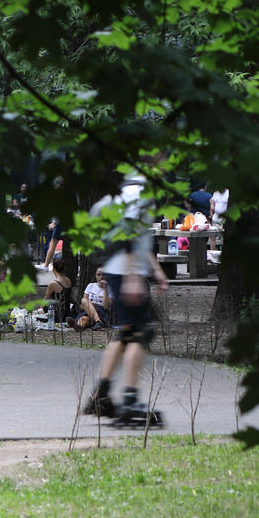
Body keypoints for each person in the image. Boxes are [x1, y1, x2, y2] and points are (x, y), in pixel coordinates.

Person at [84, 177, 170, 424]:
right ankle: (130, 402)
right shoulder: (139, 192)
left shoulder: (128, 190)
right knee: (139, 334)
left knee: (125, 334)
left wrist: (156, 271)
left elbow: (140, 239)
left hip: (119, 269)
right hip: (125, 271)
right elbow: (129, 235)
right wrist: (134, 277)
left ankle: (101, 396)